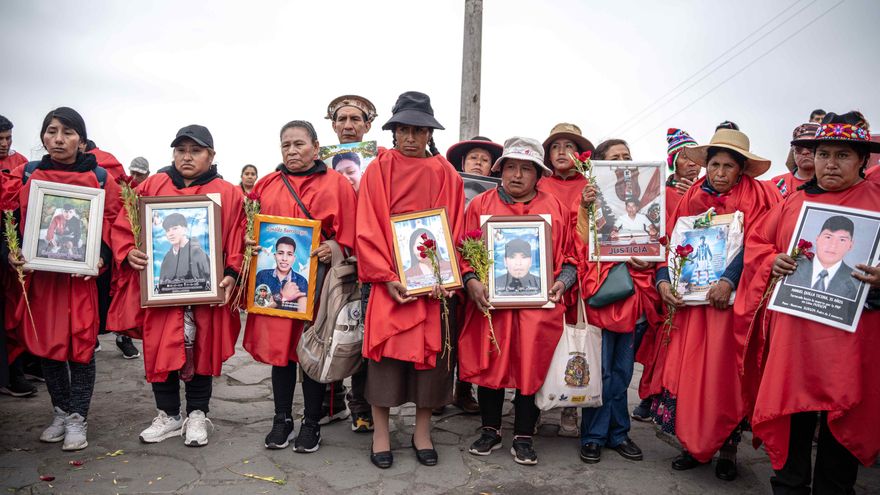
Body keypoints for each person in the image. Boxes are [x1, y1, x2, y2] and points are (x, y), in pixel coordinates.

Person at [737, 111, 880, 494]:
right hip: (796, 337)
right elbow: (757, 245)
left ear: (863, 160)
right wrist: (772, 261)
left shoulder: (878, 202)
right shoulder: (793, 203)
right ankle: (790, 484)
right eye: (823, 154)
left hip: (851, 342)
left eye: (843, 155)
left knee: (842, 420)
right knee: (792, 415)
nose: (831, 163)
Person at [651, 127, 779, 481]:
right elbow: (670, 241)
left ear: (741, 170)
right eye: (714, 165)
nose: (720, 173)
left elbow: (758, 245)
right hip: (692, 308)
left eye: (728, 166)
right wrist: (663, 280)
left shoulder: (758, 197)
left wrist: (728, 280)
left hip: (728, 307)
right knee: (691, 374)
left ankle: (727, 449)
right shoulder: (691, 195)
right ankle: (692, 446)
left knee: (724, 375)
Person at [114, 124, 243, 447]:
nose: (187, 157)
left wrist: (231, 271)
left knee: (202, 351)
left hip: (205, 292)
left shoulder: (227, 192)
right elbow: (125, 226)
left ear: (210, 155)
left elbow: (236, 239)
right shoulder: (153, 185)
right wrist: (129, 251)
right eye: (181, 150)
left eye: (195, 151)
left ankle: (197, 414)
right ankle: (169, 415)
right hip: (162, 293)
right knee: (161, 351)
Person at [355, 91, 463, 469]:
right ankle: (381, 431)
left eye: (419, 130)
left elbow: (456, 227)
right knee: (384, 359)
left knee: (431, 364)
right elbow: (367, 226)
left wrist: (444, 275)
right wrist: (385, 277)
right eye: (404, 130)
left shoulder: (445, 173)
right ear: (394, 131)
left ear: (429, 133)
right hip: (390, 284)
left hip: (432, 287)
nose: (412, 138)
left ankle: (422, 431)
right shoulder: (378, 170)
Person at [6, 107, 122, 451]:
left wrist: (100, 254)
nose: (58, 139)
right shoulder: (27, 175)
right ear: (43, 136)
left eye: (68, 132)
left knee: (81, 348)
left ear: (82, 141)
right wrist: (11, 252)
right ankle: (60, 411)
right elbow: (10, 221)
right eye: (52, 131)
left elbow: (116, 225)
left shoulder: (100, 179)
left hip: (80, 281)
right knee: (49, 347)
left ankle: (78, 419)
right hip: (43, 280)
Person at [458, 137, 575, 465]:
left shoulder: (555, 207)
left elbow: (571, 258)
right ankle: (490, 429)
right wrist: (471, 281)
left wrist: (563, 283)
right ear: (502, 170)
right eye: (511, 167)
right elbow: (462, 251)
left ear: (539, 174)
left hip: (537, 308)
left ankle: (524, 434)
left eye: (526, 168)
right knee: (491, 364)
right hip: (491, 305)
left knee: (530, 366)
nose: (517, 175)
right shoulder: (480, 205)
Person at [243, 119, 357, 452]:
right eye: (286, 145)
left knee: (312, 353)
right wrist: (249, 243)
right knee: (281, 357)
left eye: (299, 144)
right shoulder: (266, 185)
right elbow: (248, 230)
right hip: (275, 290)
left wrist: (333, 248)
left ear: (316, 147)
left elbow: (352, 233)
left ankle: (311, 421)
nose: (292, 151)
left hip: (317, 286)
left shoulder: (336, 185)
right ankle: (281, 419)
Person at [576, 138, 658, 465]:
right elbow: (580, 245)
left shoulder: (650, 201)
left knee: (623, 372)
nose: (623, 162)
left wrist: (646, 258)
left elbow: (657, 241)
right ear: (600, 166)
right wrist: (585, 207)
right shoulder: (592, 200)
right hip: (604, 295)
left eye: (627, 157)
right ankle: (594, 436)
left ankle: (619, 433)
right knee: (602, 372)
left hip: (633, 297)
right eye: (615, 158)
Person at [325, 94, 378, 431]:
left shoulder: (380, 162)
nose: (348, 125)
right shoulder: (320, 164)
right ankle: (329, 401)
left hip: (370, 258)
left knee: (363, 330)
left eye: (355, 120)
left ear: (368, 125)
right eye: (341, 120)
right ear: (333, 126)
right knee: (328, 326)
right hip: (329, 257)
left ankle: (361, 406)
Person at [539, 122, 595, 437]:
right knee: (542, 342)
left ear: (579, 154)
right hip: (543, 273)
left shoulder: (590, 184)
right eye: (556, 146)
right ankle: (537, 402)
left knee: (574, 343)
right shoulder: (540, 183)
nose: (562, 152)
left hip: (580, 274)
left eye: (569, 146)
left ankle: (569, 406)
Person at [784, 216, 859, 299]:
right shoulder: (791, 266)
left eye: (842, 240)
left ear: (850, 245)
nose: (833, 245)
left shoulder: (857, 281)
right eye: (828, 237)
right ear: (817, 239)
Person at [157, 213, 211, 291]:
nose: (170, 234)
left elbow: (209, 286)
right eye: (167, 230)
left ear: (185, 229)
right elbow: (161, 288)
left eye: (175, 228)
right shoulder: (167, 259)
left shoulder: (199, 254)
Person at [253, 236, 308, 311]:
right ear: (275, 256)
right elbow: (256, 306)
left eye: (289, 254)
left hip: (289, 322)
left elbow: (303, 312)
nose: (284, 258)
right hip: (263, 322)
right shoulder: (262, 275)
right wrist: (282, 296)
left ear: (294, 258)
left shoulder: (301, 281)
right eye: (280, 253)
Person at [772, 123, 820, 197]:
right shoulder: (777, 183)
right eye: (798, 149)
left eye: (811, 147)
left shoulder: (834, 184)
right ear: (793, 151)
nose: (805, 152)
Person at [665, 128, 700, 214]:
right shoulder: (662, 195)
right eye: (685, 157)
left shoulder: (712, 190)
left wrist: (700, 197)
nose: (692, 163)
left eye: (695, 156)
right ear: (673, 163)